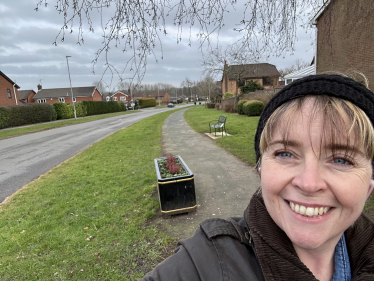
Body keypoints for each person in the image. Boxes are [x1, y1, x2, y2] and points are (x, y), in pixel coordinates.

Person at [141, 74, 374, 280]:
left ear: (369, 186)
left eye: (341, 160)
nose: (309, 183)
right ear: (261, 169)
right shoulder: (208, 261)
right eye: (285, 154)